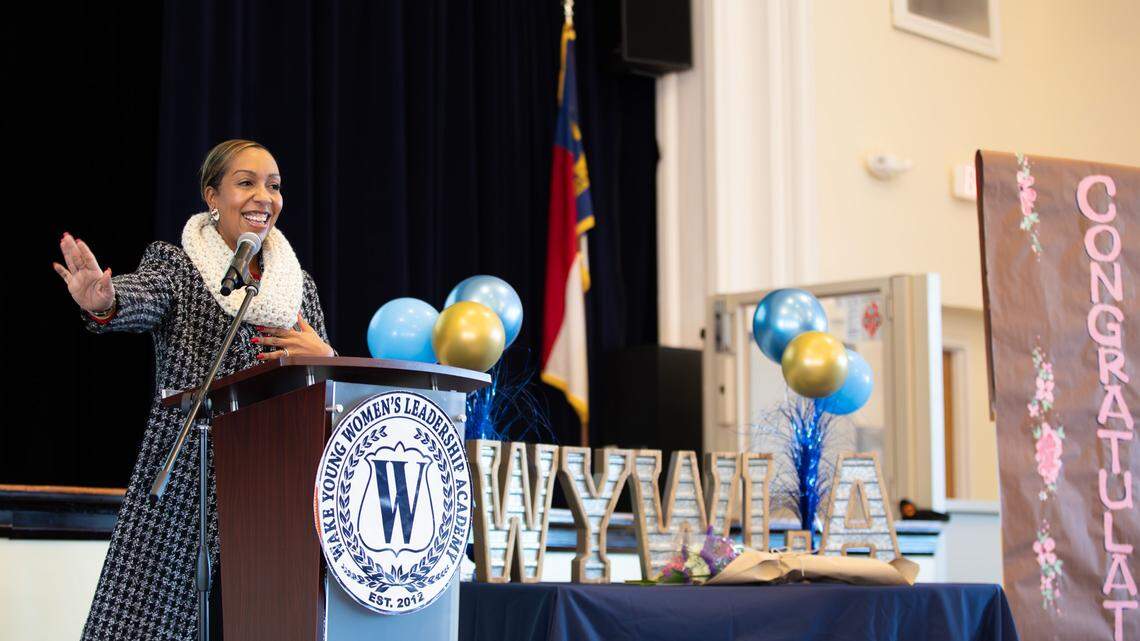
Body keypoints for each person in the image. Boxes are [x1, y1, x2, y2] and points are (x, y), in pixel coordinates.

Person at [53, 139, 335, 640]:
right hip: (189, 477)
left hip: (273, 484)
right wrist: (106, 299)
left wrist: (326, 360)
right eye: (246, 182)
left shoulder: (298, 287)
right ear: (212, 196)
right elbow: (143, 296)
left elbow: (330, 400)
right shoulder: (179, 266)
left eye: (273, 185)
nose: (263, 197)